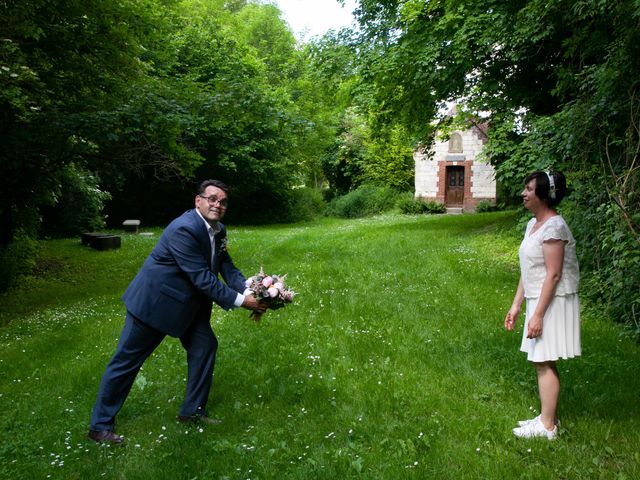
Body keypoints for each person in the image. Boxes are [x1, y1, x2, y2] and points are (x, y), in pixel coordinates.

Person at [88, 179, 266, 444]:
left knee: (205, 347)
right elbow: (202, 278)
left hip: (188, 306)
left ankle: (192, 412)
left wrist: (257, 288)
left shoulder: (219, 230)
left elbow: (226, 266)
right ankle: (99, 427)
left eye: (223, 201)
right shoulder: (183, 229)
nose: (217, 204)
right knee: (126, 362)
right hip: (154, 304)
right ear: (198, 201)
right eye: (212, 199)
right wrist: (243, 302)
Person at [504, 171, 580, 440]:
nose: (523, 194)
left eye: (528, 189)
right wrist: (516, 306)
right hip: (539, 298)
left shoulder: (554, 227)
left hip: (553, 302)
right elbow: (529, 270)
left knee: (543, 361)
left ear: (543, 195)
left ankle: (548, 427)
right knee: (542, 360)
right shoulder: (533, 225)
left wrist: (537, 316)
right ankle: (547, 418)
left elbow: (554, 274)